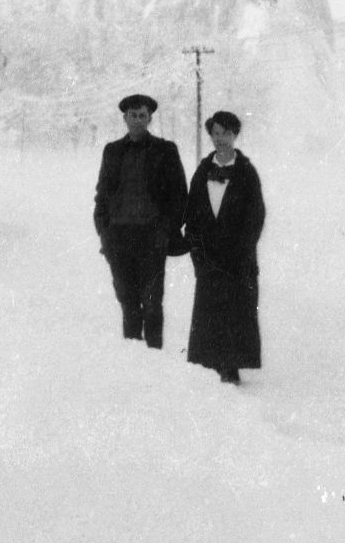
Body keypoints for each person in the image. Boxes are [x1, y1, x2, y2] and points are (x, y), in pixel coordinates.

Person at [94, 94, 188, 349]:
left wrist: (165, 231)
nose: (137, 120)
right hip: (119, 238)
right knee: (128, 302)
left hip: (152, 238)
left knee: (152, 302)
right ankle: (133, 358)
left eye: (142, 115)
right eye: (133, 115)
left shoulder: (165, 150)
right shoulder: (112, 151)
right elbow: (102, 195)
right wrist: (104, 232)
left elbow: (179, 195)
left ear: (150, 119)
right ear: (125, 118)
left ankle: (154, 356)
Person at [184, 111, 265, 385]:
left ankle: (231, 368)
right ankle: (210, 369)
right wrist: (198, 255)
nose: (220, 139)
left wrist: (240, 252)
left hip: (237, 261)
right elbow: (192, 218)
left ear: (235, 135)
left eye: (226, 133)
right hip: (208, 260)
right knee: (210, 315)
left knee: (235, 314)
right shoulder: (202, 172)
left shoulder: (247, 173)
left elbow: (255, 218)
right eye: (216, 133)